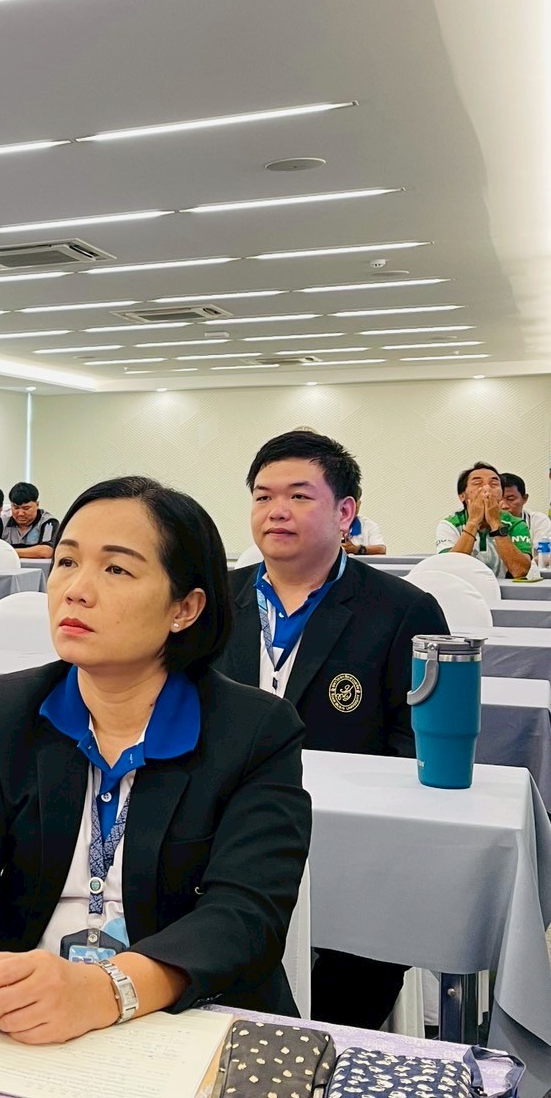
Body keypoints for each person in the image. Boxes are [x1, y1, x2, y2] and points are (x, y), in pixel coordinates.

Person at [0, 476, 310, 1043]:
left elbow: (244, 915)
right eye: (66, 562)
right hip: (19, 1017)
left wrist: (105, 990)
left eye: (116, 569)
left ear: (185, 608)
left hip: (187, 1019)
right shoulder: (11, 709)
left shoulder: (255, 731)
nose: (76, 590)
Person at [217, 430, 446, 1029]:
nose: (276, 511)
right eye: (263, 496)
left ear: (346, 513)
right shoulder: (213, 601)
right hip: (219, 836)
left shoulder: (404, 610)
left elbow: (416, 745)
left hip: (353, 848)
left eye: (299, 496)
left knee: (352, 986)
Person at [433, 462, 532, 579]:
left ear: (501, 494)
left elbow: (520, 571)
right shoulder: (449, 525)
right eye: (477, 483)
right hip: (463, 587)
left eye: (494, 484)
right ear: (462, 496)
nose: (486, 489)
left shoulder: (516, 524)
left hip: (503, 589)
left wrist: (495, 523)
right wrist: (473, 522)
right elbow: (450, 569)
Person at [0, 482, 60, 559]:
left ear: (37, 505)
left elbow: (46, 551)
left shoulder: (48, 522)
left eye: (26, 508)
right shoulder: (2, 521)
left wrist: (7, 551)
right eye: (16, 508)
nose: (20, 513)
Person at [500, 473, 551, 551]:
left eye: (510, 499)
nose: (504, 506)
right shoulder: (484, 522)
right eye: (498, 499)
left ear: (524, 498)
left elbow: (543, 555)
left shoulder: (538, 521)